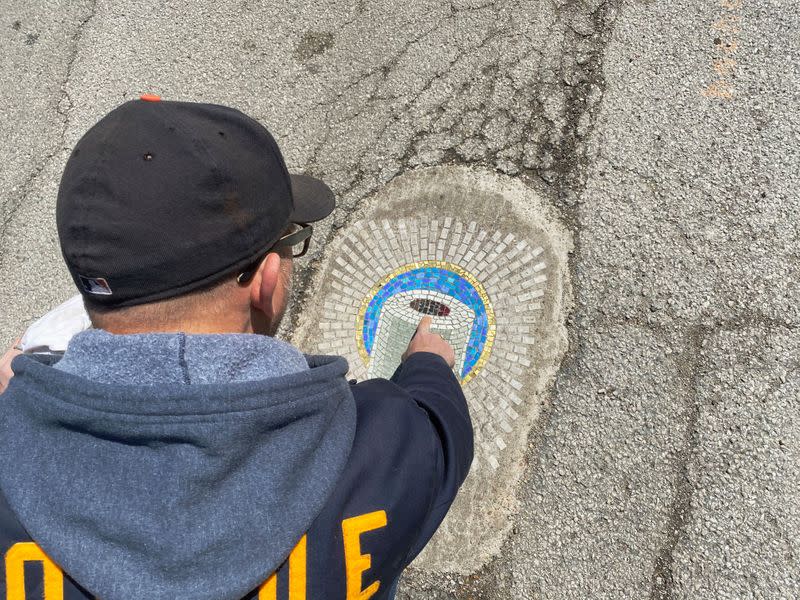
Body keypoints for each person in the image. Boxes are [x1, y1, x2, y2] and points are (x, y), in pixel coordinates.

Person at [0, 97, 473, 600]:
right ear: (267, 283)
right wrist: (427, 363)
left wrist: (27, 397)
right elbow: (442, 428)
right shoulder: (388, 441)